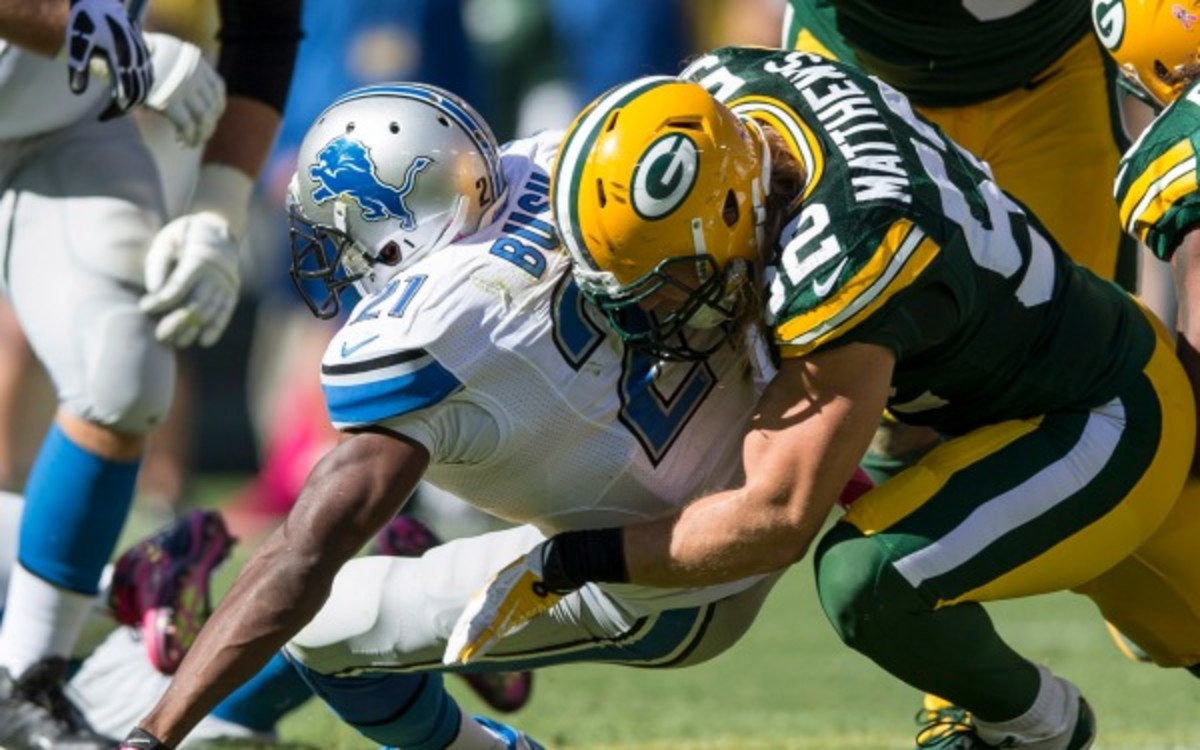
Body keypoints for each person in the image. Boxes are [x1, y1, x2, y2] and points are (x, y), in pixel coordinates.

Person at [446, 47, 1200, 750]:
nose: (655, 315)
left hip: (1097, 418)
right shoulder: (727, 102)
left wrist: (573, 558)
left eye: (668, 283)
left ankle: (1041, 727)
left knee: (867, 582)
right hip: (1017, 380)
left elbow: (773, 518)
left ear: (737, 212)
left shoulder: (849, 254)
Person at [110, 82, 807, 750]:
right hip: (780, 454)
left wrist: (151, 736)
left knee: (324, 624)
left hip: (674, 574)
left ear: (398, 232)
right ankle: (234, 710)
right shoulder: (563, 159)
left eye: (348, 231)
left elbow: (303, 552)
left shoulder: (431, 332)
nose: (342, 255)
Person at [0, 0, 302, 746]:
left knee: (124, 370)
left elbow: (261, 29)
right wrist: (96, 36)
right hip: (80, 82)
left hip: (57, 130)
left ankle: (22, 683)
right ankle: (124, 590)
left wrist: (220, 203)